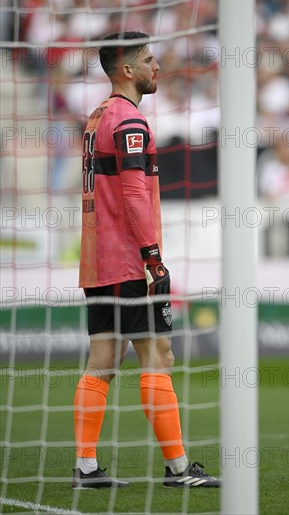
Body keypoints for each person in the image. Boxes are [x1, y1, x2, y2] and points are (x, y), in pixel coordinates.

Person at [73, 31, 220, 489]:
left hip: (97, 260)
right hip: (129, 261)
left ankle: (86, 468)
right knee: (158, 355)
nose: (158, 67)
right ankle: (178, 470)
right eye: (149, 60)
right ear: (128, 70)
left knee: (102, 358)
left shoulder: (98, 117)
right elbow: (135, 194)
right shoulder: (131, 123)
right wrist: (152, 256)